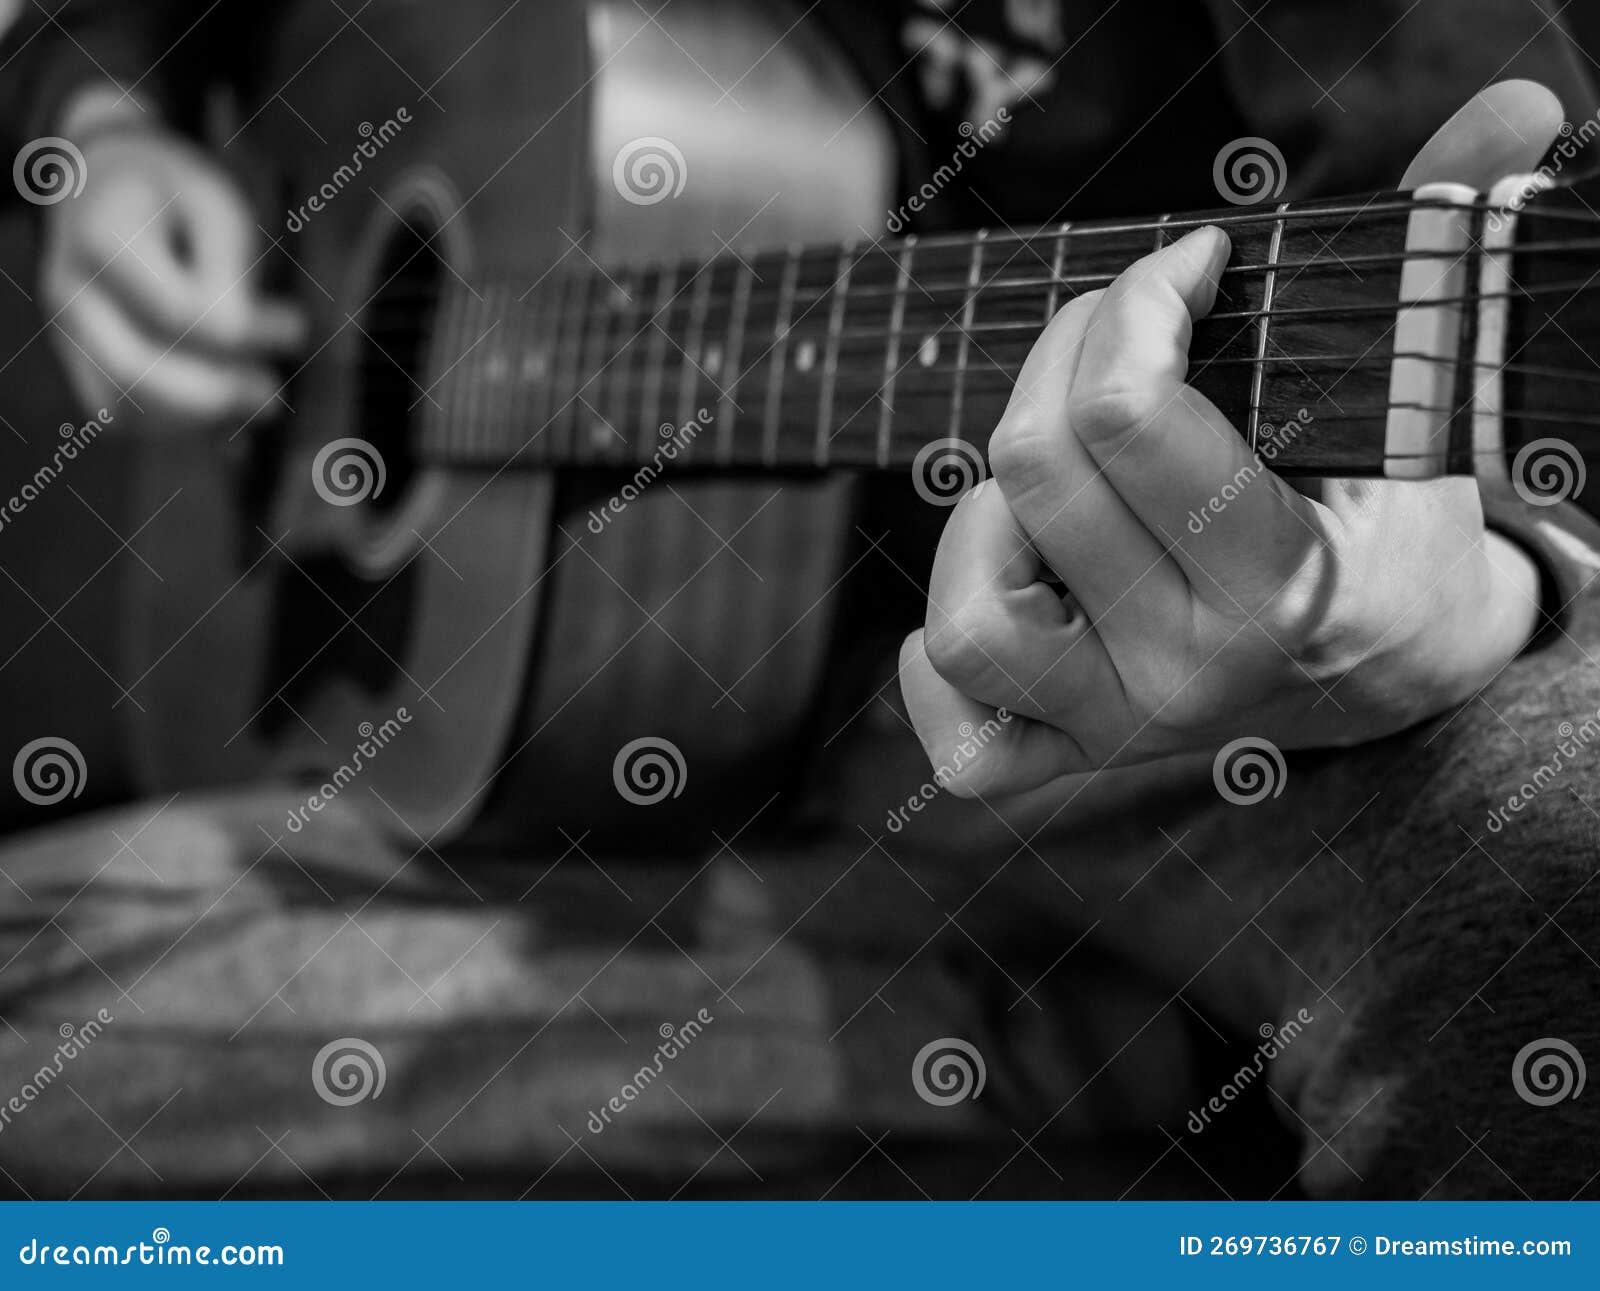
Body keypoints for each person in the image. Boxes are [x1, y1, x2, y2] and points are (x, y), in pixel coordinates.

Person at [0, 0, 1595, 1199]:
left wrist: (1496, 575)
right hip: (655, 734)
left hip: (1204, 683)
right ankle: (1030, 1043)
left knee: (1552, 883)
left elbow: (1466, 299)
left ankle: (999, 1048)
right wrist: (94, 123)